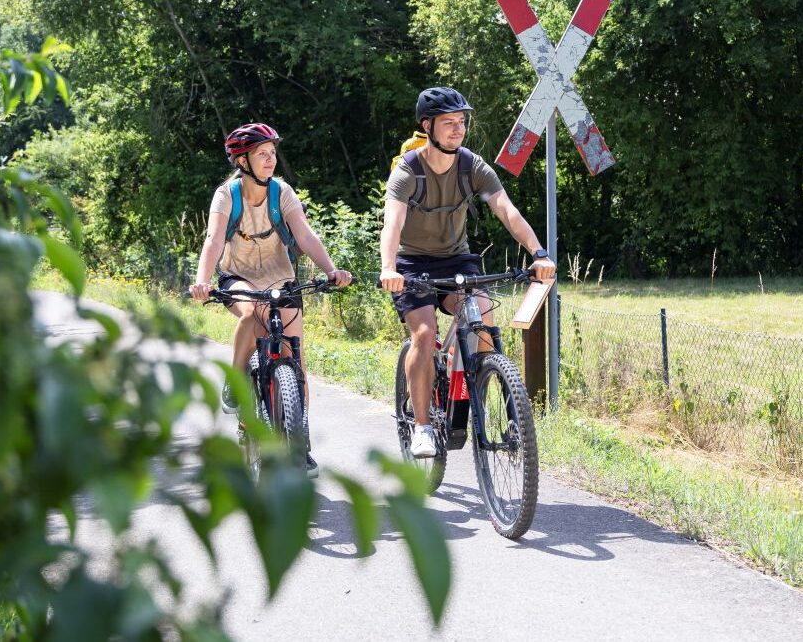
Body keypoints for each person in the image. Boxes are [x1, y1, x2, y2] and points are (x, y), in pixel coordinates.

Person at [379, 87, 557, 458]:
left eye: (461, 123)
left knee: (484, 318)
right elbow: (392, 225)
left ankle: (481, 381)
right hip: (412, 264)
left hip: (456, 260)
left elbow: (506, 210)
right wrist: (388, 267)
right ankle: (424, 426)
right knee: (424, 334)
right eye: (449, 123)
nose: (458, 130)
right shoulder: (407, 171)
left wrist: (538, 253)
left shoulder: (471, 165)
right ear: (428, 126)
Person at [189, 122, 352, 477]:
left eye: (272, 153)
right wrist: (202, 281)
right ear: (243, 161)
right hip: (239, 279)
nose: (271, 160)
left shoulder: (282, 192)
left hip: (282, 278)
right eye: (262, 154)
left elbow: (305, 237)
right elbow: (214, 241)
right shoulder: (226, 196)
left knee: (296, 361)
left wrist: (331, 270)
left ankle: (301, 443)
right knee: (249, 317)